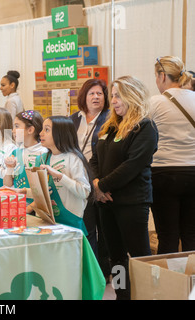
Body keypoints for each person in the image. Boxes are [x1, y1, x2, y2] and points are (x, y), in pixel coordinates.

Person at [90, 75, 158, 300]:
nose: (114, 100)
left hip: (132, 202)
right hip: (106, 203)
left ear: (133, 95)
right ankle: (122, 295)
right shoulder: (110, 127)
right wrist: (95, 184)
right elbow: (95, 161)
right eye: (113, 95)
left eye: (119, 95)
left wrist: (102, 185)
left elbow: (132, 165)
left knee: (139, 257)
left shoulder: (144, 127)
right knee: (116, 258)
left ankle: (149, 294)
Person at [150, 56, 195, 254]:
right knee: (191, 235)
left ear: (162, 76)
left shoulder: (155, 103)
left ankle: (169, 283)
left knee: (167, 236)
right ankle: (192, 282)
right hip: (193, 172)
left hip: (163, 173)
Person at [69, 79, 110, 280]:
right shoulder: (74, 119)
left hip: (99, 177)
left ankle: (101, 273)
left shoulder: (110, 119)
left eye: (100, 94)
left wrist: (98, 182)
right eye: (92, 93)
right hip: (75, 178)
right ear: (84, 97)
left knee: (102, 230)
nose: (96, 97)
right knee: (86, 226)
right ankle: (87, 270)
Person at [36, 116, 91, 235]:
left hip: (71, 222)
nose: (41, 133)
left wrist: (60, 176)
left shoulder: (73, 159)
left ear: (60, 133)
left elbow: (85, 191)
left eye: (46, 130)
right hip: (51, 221)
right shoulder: (44, 158)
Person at [3, 110, 47, 209]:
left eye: (17, 126)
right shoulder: (16, 152)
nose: (13, 130)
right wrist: (9, 168)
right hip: (18, 205)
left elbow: (46, 188)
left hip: (37, 208)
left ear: (30, 130)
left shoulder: (43, 153)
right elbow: (7, 184)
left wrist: (30, 208)